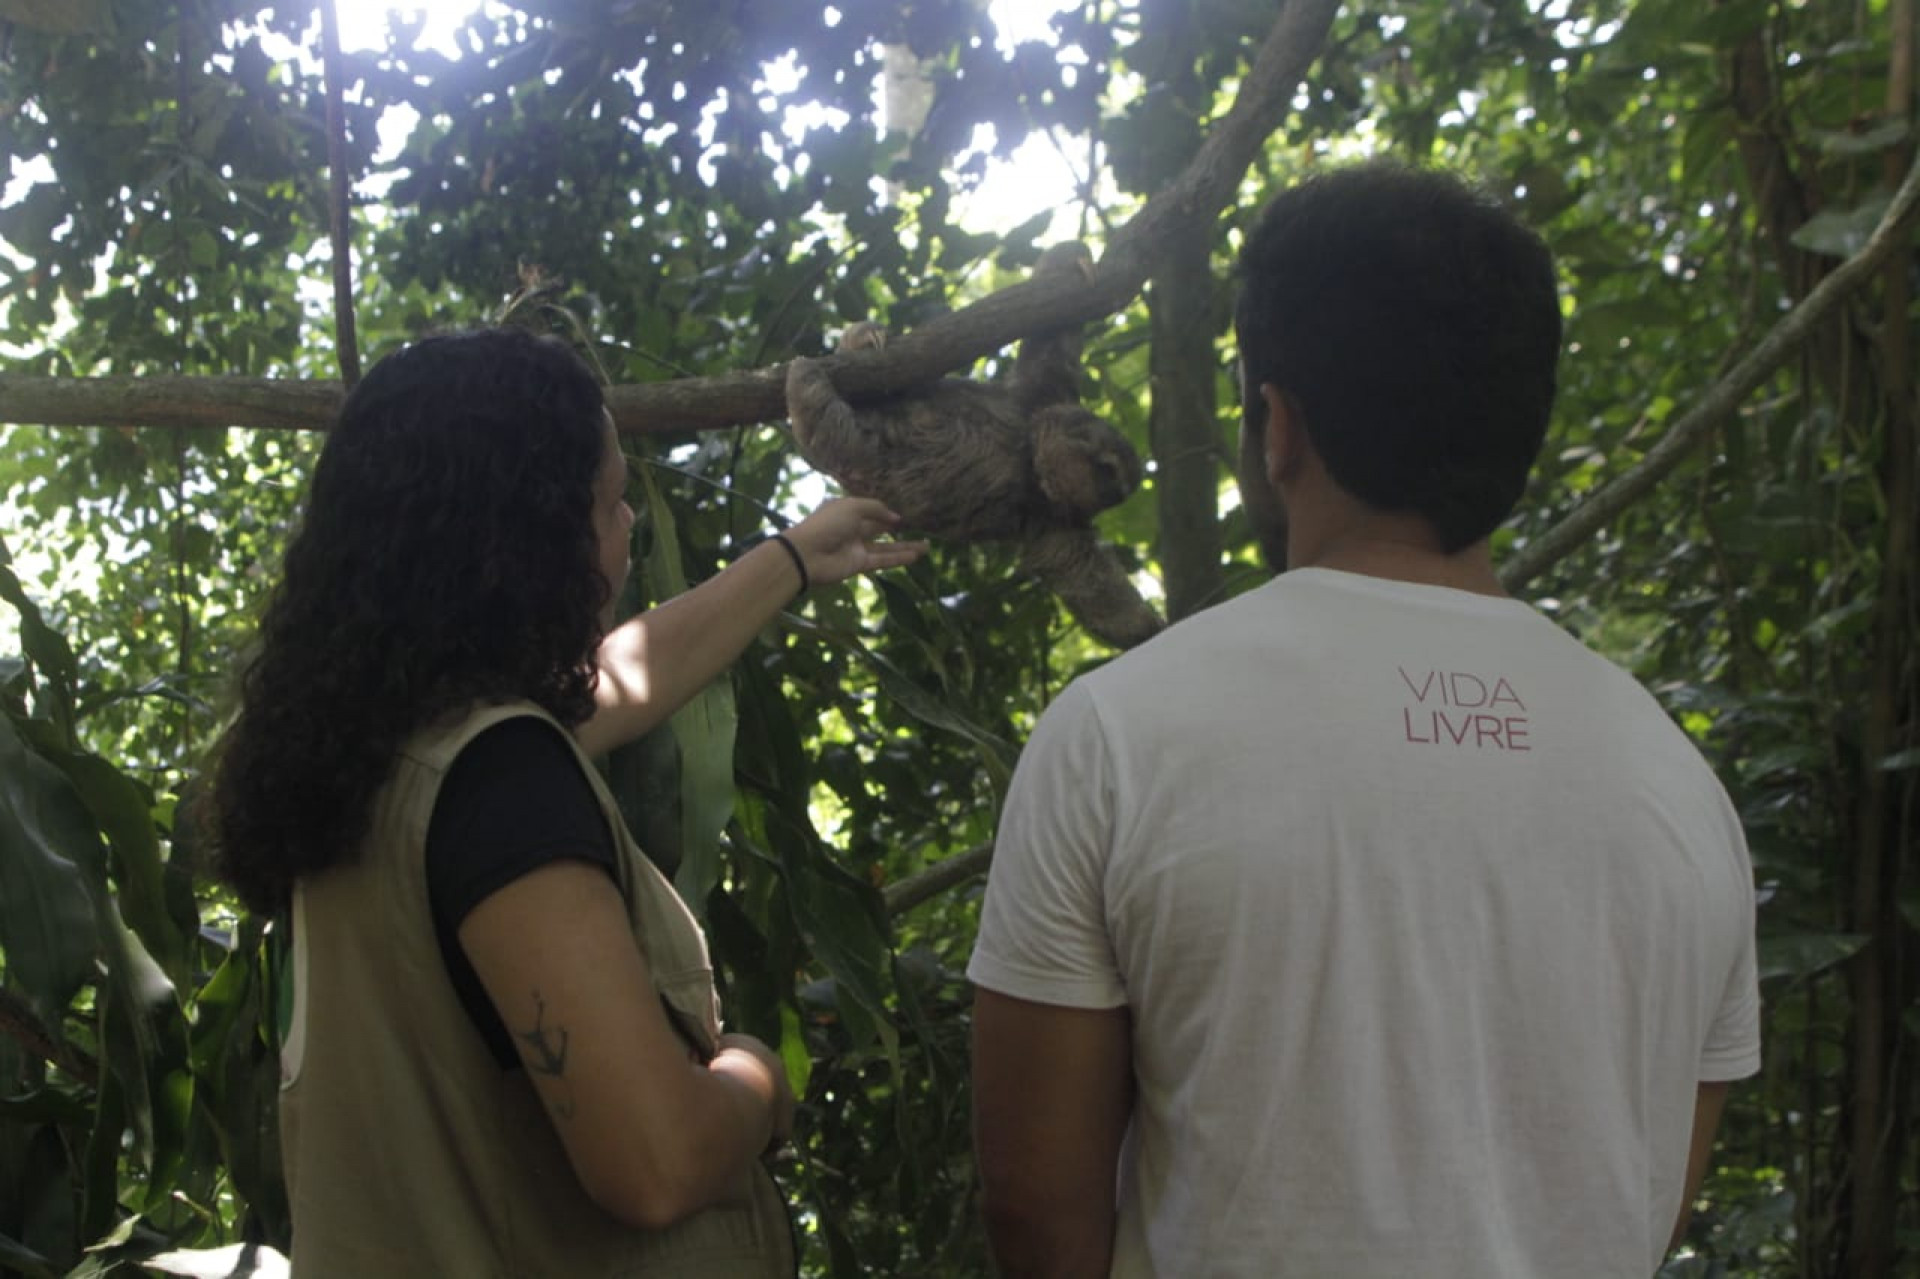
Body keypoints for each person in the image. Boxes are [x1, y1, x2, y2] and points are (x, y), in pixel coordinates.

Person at [966, 162, 1761, 1279]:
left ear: (1276, 425)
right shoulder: (1681, 790)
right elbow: (1640, 1204)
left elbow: (1039, 1212)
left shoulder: (1116, 739)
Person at [206, 327, 924, 1276]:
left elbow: (615, 682)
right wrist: (755, 1074)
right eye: (613, 500)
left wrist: (792, 557)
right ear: (533, 539)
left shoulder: (377, 754)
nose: (630, 525)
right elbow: (654, 1162)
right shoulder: (502, 780)